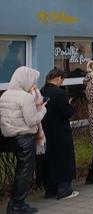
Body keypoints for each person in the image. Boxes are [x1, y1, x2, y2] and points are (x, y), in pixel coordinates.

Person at [0, 67, 47, 213]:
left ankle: (15, 204)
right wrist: (43, 110)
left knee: (19, 171)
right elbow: (32, 121)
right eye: (32, 81)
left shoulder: (4, 95)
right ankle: (17, 204)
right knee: (24, 172)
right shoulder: (25, 97)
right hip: (25, 138)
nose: (33, 84)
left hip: (8, 138)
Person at [40, 68, 78, 200]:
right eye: (62, 80)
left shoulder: (41, 91)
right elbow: (66, 113)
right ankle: (64, 190)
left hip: (46, 132)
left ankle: (50, 190)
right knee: (63, 160)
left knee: (49, 161)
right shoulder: (59, 93)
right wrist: (71, 106)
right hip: (61, 133)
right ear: (58, 78)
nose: (62, 83)